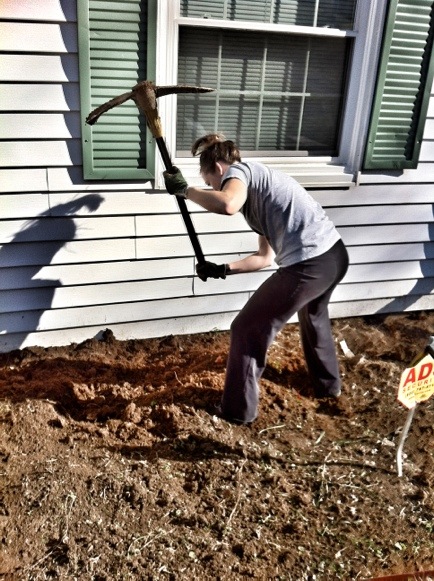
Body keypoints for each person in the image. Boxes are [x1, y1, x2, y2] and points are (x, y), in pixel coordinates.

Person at [163, 134, 349, 424]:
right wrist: (222, 269)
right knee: (313, 316)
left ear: (219, 168)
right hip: (333, 256)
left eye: (211, 182)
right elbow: (264, 258)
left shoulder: (241, 171)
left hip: (310, 262)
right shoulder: (259, 195)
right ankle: (328, 387)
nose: (215, 189)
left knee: (247, 328)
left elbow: (227, 204)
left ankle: (237, 411)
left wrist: (186, 191)